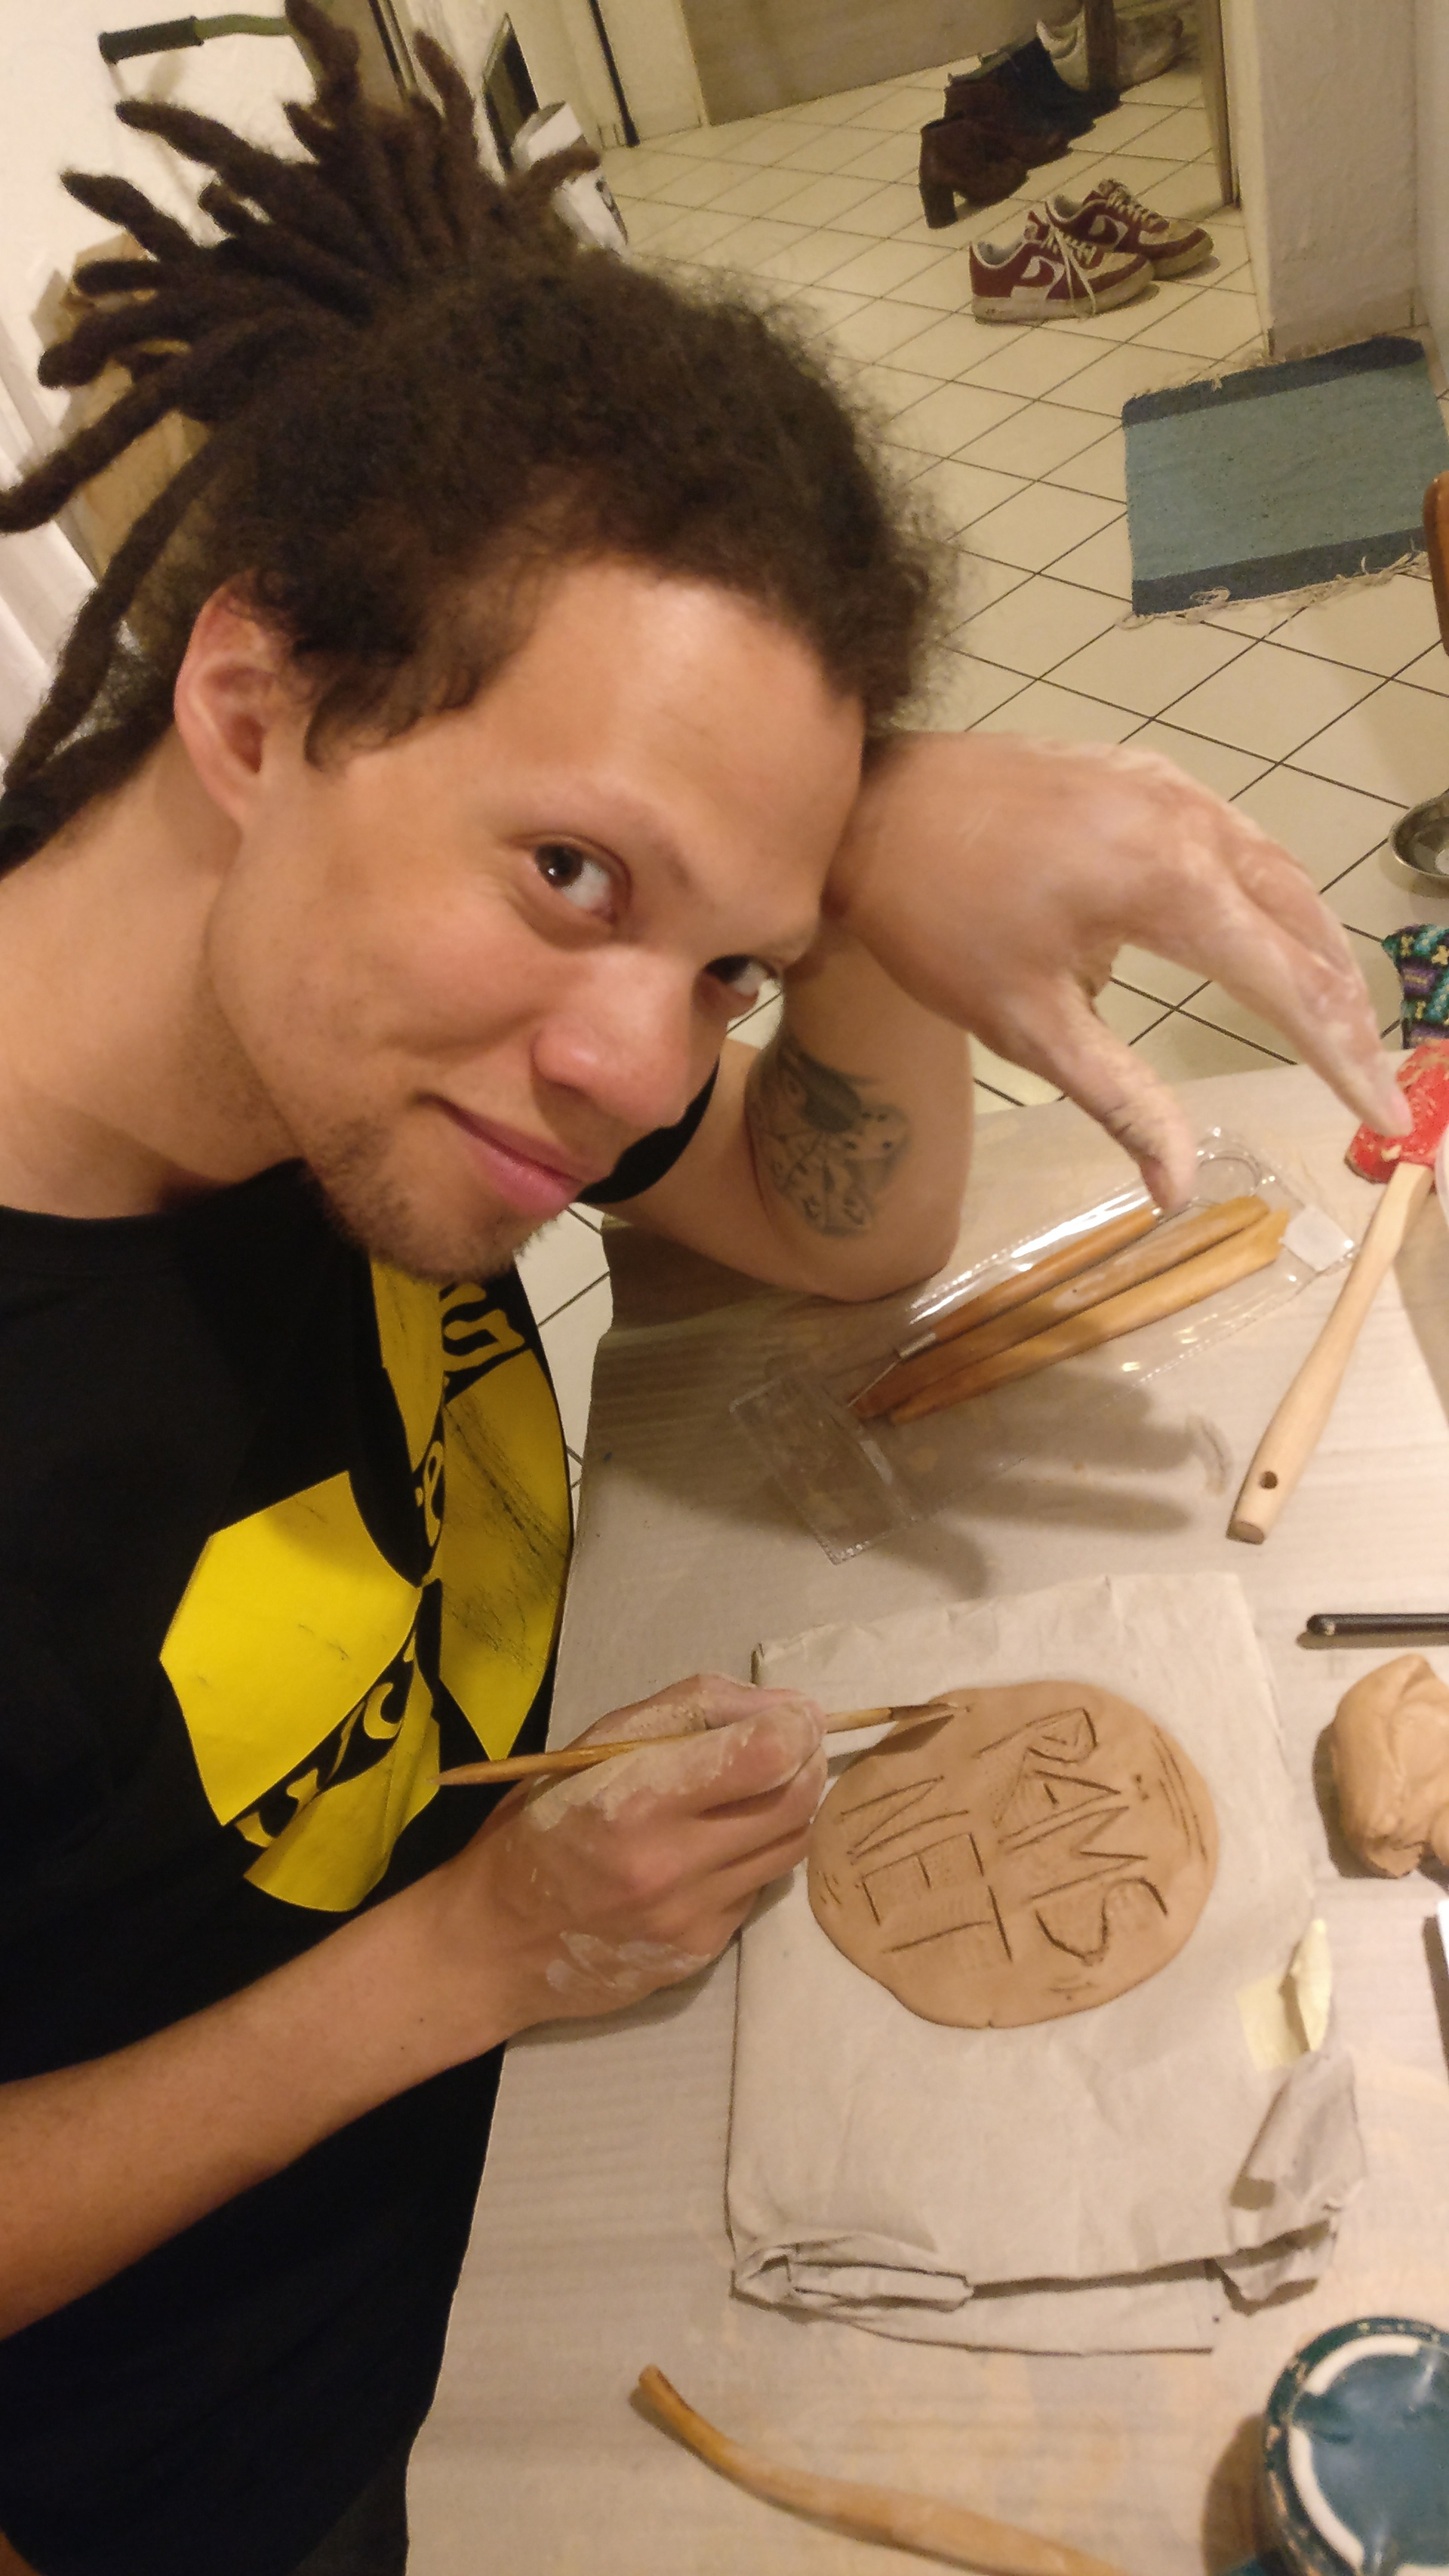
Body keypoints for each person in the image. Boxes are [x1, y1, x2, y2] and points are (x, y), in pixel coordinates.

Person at [0, 9, 1403, 2573]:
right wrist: (466, 1960)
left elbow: (838, 1222)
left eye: (723, 964)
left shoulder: (359, 1025)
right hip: (299, 2419)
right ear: (253, 706)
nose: (638, 1070)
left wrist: (872, 870)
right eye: (573, 874)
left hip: (583, 2037)